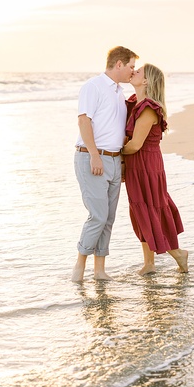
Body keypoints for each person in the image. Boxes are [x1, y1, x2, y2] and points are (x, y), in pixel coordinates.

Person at [73, 46, 138, 282]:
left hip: (113, 160)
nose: (133, 71)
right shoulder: (94, 86)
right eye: (131, 66)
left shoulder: (119, 93)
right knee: (98, 216)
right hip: (92, 157)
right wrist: (95, 155)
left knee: (108, 218)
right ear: (119, 64)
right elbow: (83, 121)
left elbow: (115, 130)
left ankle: (99, 271)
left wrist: (119, 161)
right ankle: (79, 267)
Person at [122, 63, 189, 274]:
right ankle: (149, 264)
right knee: (141, 209)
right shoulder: (135, 102)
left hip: (146, 165)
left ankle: (178, 253)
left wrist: (112, 156)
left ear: (146, 81)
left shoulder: (149, 108)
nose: (134, 72)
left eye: (138, 71)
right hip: (137, 164)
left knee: (150, 208)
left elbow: (135, 145)